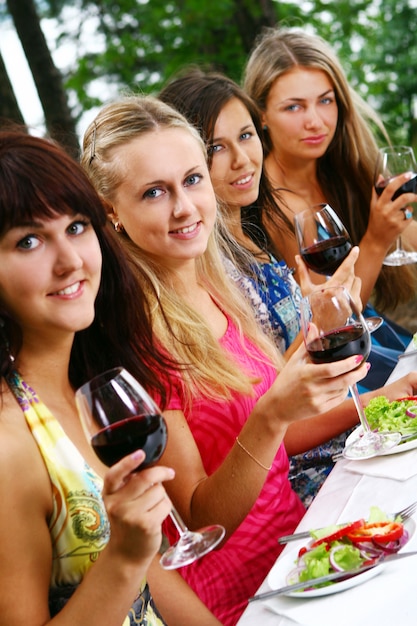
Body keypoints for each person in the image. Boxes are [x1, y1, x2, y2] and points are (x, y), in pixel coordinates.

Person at [80, 94, 417, 625]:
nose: (185, 207)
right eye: (153, 192)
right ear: (111, 214)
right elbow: (199, 518)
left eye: (192, 180)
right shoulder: (132, 340)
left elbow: (271, 441)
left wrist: (376, 399)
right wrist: (273, 414)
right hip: (249, 595)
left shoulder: (216, 287)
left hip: (302, 549)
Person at [0, 129, 223, 626]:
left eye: (77, 227)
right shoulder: (9, 446)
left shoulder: (92, 383)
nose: (71, 261)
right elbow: (129, 560)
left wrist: (134, 549)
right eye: (29, 240)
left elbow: (151, 576)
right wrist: (122, 555)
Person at [158, 66, 362, 505]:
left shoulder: (251, 237)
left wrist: (327, 313)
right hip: (302, 475)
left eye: (247, 136)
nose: (242, 159)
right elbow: (270, 416)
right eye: (216, 148)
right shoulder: (204, 271)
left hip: (339, 437)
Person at [243, 26, 417, 385]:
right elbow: (333, 314)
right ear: (261, 115)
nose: (316, 121)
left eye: (325, 100)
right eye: (294, 107)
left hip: (381, 336)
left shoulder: (340, 164)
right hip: (345, 364)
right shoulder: (275, 204)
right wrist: (377, 239)